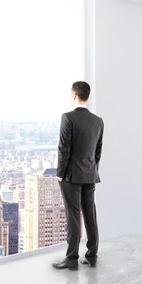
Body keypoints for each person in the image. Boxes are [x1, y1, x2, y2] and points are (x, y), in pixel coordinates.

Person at [52, 81, 104, 270]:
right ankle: (92, 255)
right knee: (90, 214)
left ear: (74, 95)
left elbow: (63, 148)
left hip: (71, 176)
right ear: (87, 95)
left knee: (73, 215)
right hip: (90, 174)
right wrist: (92, 168)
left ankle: (72, 258)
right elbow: (98, 150)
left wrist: (60, 173)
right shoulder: (98, 121)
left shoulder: (68, 118)